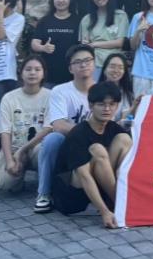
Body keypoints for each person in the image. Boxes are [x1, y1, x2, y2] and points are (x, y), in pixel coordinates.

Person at [51, 80, 133, 228]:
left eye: (112, 104)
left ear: (117, 106)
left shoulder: (113, 128)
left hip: (100, 186)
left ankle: (123, 202)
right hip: (72, 197)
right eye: (101, 104)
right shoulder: (79, 133)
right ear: (91, 105)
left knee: (124, 139)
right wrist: (105, 212)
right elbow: (84, 176)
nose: (107, 109)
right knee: (97, 149)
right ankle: (121, 205)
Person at [34, 44, 96, 214]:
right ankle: (44, 194)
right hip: (69, 142)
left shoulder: (102, 89)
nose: (83, 65)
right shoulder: (60, 91)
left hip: (96, 143)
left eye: (87, 60)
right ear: (70, 68)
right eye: (78, 62)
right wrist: (88, 133)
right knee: (52, 139)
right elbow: (59, 125)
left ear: (94, 63)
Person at [0, 55, 51, 193]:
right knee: (6, 183)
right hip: (14, 147)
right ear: (21, 73)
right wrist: (9, 160)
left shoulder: (51, 96)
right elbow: (5, 132)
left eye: (37, 69)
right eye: (28, 69)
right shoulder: (9, 98)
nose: (32, 73)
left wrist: (23, 150)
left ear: (43, 73)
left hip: (38, 147)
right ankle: (18, 178)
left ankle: (44, 181)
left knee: (45, 150)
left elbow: (48, 128)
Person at [31, 0, 83, 87]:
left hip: (72, 76)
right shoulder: (45, 21)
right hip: (49, 76)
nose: (61, 0)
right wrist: (43, 48)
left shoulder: (78, 21)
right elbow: (34, 43)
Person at [79, 0, 131, 77]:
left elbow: (120, 42)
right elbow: (86, 44)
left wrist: (95, 44)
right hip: (93, 64)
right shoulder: (86, 19)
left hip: (114, 64)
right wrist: (87, 44)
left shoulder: (120, 16)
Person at [100, 52, 135, 121]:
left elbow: (124, 117)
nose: (116, 71)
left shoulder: (126, 93)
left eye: (120, 68)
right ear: (104, 69)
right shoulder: (96, 90)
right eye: (112, 66)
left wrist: (135, 106)